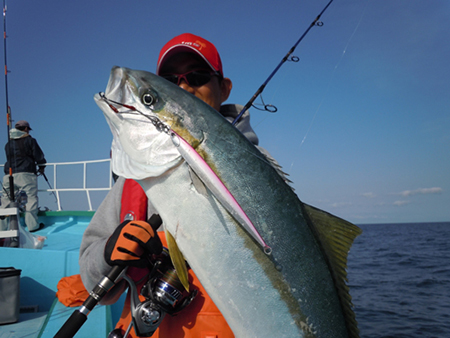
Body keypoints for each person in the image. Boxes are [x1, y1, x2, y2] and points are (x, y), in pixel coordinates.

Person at [79, 33, 274, 338]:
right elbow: (96, 288)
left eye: (197, 76)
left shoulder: (258, 171)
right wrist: (107, 254)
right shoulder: (134, 180)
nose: (183, 87)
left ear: (224, 89)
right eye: (170, 81)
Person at [1, 120, 46, 232]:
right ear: (26, 129)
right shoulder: (30, 141)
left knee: (5, 201)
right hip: (26, 174)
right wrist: (41, 166)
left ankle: (1, 229)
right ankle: (32, 226)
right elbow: (38, 156)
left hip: (8, 175)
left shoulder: (8, 144)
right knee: (31, 199)